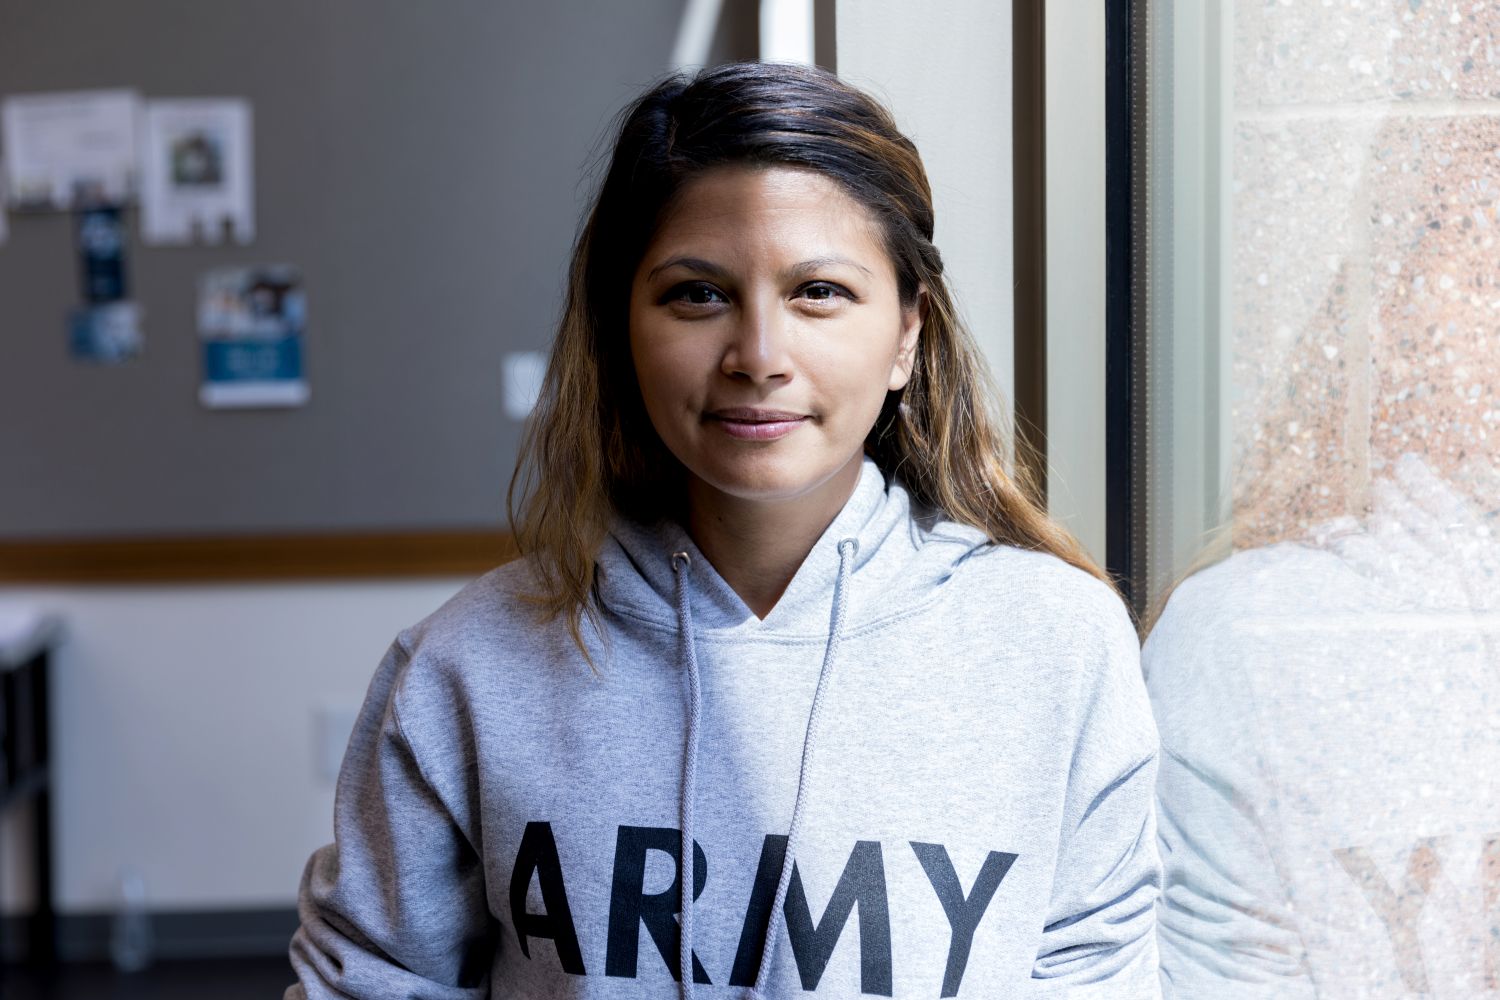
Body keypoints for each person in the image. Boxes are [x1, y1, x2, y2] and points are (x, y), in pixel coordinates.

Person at [285, 61, 1161, 999]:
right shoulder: (468, 667)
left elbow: (1094, 975)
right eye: (698, 294)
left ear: (907, 332)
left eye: (819, 291)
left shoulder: (1057, 644)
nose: (759, 358)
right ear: (622, 329)